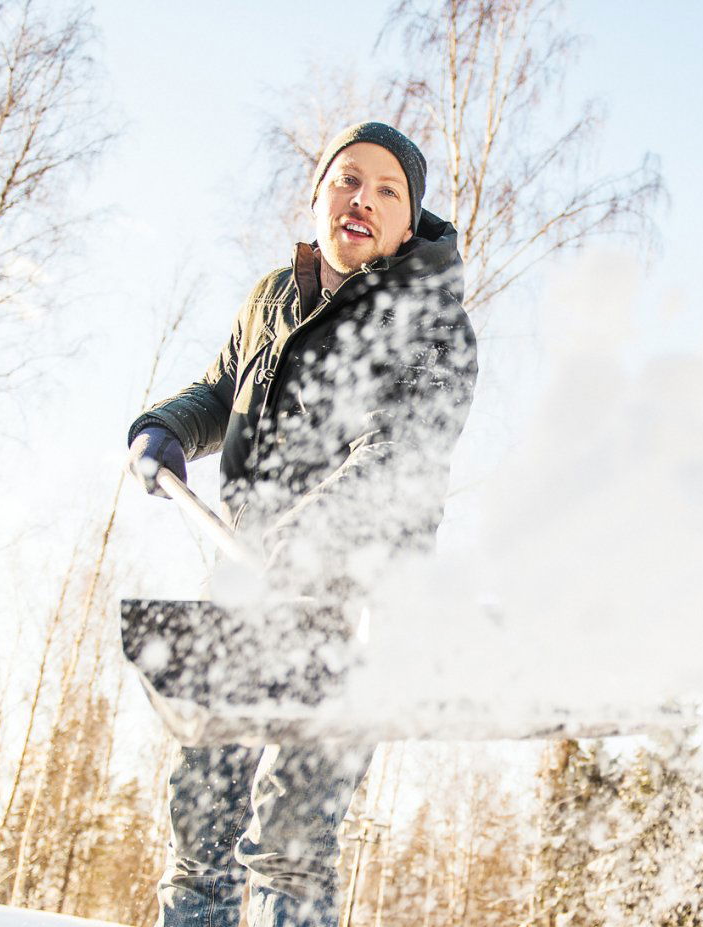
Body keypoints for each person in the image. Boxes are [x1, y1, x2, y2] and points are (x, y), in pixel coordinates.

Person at [125, 122, 477, 927]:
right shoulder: (273, 298)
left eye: (389, 190)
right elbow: (222, 391)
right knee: (202, 808)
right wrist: (169, 429)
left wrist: (292, 540)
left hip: (354, 605)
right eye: (348, 179)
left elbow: (394, 456)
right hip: (245, 580)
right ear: (318, 194)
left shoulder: (429, 324)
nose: (364, 198)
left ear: (408, 219)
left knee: (293, 834)